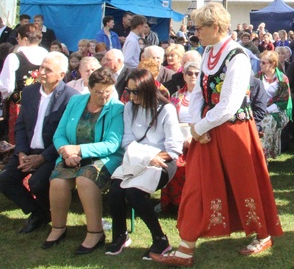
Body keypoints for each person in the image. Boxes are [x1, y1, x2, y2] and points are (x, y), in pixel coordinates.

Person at [152, 3, 282, 265]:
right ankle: (185, 249)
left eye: (199, 27)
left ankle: (263, 233)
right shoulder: (208, 51)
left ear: (215, 27)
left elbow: (230, 103)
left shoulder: (238, 57)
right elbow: (200, 92)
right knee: (197, 184)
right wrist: (199, 126)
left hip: (234, 131)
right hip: (210, 129)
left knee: (244, 183)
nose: (195, 32)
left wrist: (200, 128)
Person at [45, 67, 124, 254]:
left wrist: (79, 150)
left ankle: (95, 232)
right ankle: (58, 228)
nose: (104, 96)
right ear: (89, 88)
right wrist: (67, 153)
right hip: (71, 155)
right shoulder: (75, 101)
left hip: (103, 157)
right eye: (99, 91)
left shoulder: (117, 108)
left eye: (108, 91)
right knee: (58, 181)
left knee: (85, 179)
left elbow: (112, 144)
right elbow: (60, 134)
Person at [106, 69, 182, 259]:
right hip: (137, 158)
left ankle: (160, 239)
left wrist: (151, 158)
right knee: (115, 190)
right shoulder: (129, 108)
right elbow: (126, 140)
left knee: (134, 193)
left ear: (148, 90)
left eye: (136, 92)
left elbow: (174, 149)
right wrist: (147, 157)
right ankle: (120, 235)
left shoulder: (167, 110)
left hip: (163, 163)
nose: (132, 96)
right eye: (129, 91)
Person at [0, 52, 77, 234]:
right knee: (5, 180)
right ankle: (39, 212)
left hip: (53, 152)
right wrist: (21, 153)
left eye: (47, 69)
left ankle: (45, 212)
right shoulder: (29, 92)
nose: (41, 72)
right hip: (27, 151)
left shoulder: (71, 97)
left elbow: (68, 135)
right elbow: (20, 126)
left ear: (61, 74)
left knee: (37, 183)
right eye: (41, 67)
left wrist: (42, 158)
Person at [160, 59, 200, 213]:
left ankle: (195, 204)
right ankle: (174, 204)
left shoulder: (206, 97)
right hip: (178, 139)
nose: (193, 76)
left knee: (192, 167)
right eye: (189, 73)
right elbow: (169, 120)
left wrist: (194, 137)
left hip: (200, 138)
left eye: (197, 73)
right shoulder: (176, 96)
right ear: (183, 75)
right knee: (174, 164)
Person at [0, 23, 48, 144]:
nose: (17, 41)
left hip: (20, 103)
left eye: (18, 38)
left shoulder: (14, 57)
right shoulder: (47, 56)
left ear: (25, 39)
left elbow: (6, 86)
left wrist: (5, 98)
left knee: (19, 135)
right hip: (44, 99)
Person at [256, 50, 292, 159]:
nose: (260, 65)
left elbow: (284, 100)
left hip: (277, 111)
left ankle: (263, 155)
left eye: (263, 63)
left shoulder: (282, 79)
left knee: (267, 123)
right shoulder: (256, 78)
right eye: (260, 62)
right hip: (258, 110)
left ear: (272, 64)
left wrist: (268, 110)